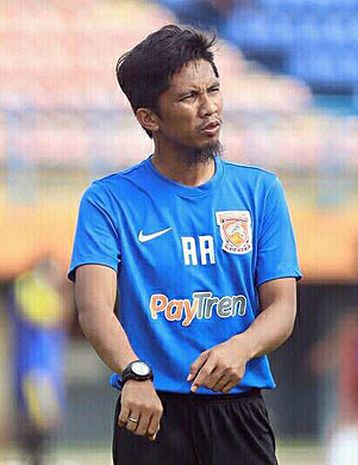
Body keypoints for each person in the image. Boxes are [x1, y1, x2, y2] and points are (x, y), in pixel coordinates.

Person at [68, 25, 300, 465]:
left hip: (239, 409)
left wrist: (241, 348)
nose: (209, 107)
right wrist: (134, 373)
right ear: (148, 118)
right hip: (149, 407)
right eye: (189, 97)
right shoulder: (107, 201)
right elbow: (93, 308)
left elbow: (282, 306)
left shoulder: (261, 191)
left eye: (214, 90)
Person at [7, 256, 70, 465]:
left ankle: (39, 457)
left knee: (47, 417)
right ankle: (33, 457)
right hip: (34, 366)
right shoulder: (28, 288)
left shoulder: (44, 291)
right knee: (36, 416)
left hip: (47, 365)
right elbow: (45, 315)